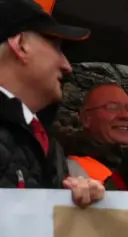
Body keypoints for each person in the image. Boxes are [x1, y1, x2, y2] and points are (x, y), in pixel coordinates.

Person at [0, 0, 104, 206]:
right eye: (56, 47)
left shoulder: (47, 144)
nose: (68, 66)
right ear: (21, 45)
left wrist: (80, 203)